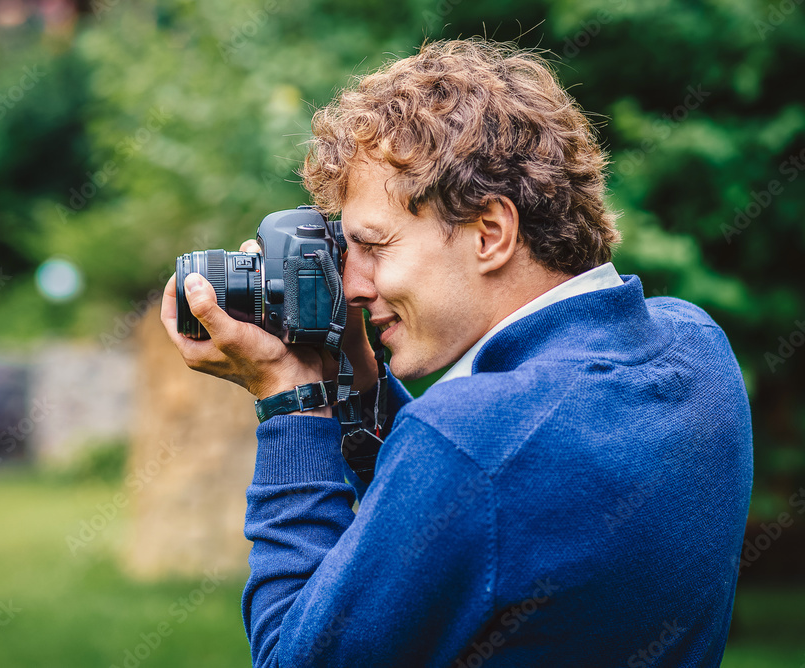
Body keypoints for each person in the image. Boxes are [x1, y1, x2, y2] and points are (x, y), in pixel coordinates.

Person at [161, 39, 753, 667]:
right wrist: (358, 378)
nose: (354, 287)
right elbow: (481, 520)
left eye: (375, 246)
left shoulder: (469, 439)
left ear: (490, 234)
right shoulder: (695, 348)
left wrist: (293, 402)